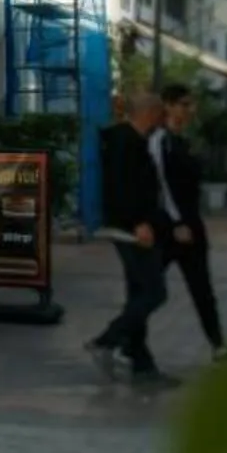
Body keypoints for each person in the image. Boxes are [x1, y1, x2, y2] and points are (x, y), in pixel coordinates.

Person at [87, 94, 171, 383]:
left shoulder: (129, 141)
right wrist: (140, 223)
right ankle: (108, 340)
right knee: (153, 292)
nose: (163, 120)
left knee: (139, 292)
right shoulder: (126, 144)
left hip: (132, 226)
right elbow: (124, 188)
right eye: (160, 113)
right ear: (148, 113)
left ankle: (140, 361)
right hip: (131, 229)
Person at [155, 88, 227, 362]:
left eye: (191, 105)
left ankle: (218, 345)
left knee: (203, 289)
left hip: (192, 224)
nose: (189, 111)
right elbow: (162, 185)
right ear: (169, 106)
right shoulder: (160, 140)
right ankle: (124, 342)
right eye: (184, 105)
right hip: (170, 228)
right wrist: (176, 222)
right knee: (150, 289)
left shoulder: (184, 141)